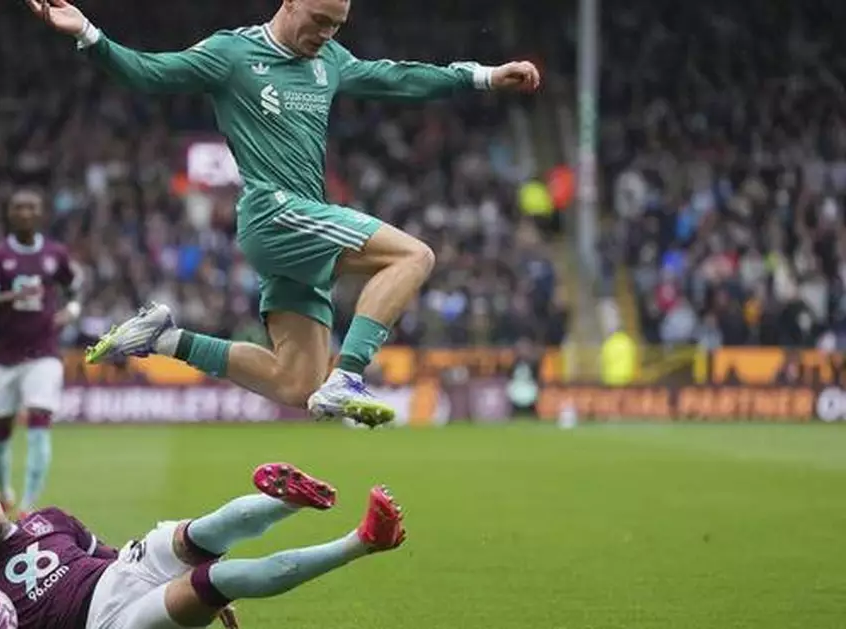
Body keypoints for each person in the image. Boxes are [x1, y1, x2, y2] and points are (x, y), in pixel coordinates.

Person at [45, 0, 542, 428]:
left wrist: (484, 76)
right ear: (288, 2)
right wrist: (90, 34)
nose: (324, 34)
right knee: (414, 256)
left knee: (296, 382)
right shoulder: (233, 53)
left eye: (336, 26)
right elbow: (148, 73)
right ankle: (350, 375)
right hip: (275, 213)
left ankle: (165, 338)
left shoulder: (329, 59)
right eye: (319, 20)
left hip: (300, 226)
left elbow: (398, 77)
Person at [0, 462, 405, 629]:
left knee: (196, 535)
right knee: (220, 580)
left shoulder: (50, 518)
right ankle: (361, 540)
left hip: (120, 574)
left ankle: (291, 500)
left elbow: (109, 554)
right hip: (109, 624)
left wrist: (149, 564)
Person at [0, 188, 83, 518]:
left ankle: (27, 506)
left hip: (44, 352)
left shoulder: (56, 253)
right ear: (9, 214)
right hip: (5, 355)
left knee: (39, 420)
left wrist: (73, 310)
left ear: (40, 214)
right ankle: (5, 490)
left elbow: (74, 283)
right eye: (18, 207)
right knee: (0, 434)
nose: (25, 212)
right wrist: (14, 296)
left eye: (31, 207)